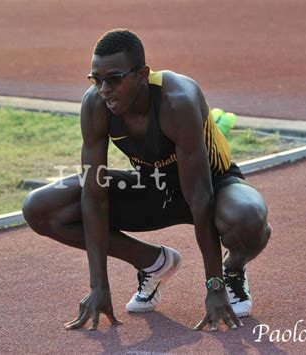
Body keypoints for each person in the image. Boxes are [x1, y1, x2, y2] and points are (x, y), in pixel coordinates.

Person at [22, 29, 271, 332]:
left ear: (142, 74)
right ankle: (154, 263)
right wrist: (99, 285)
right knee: (41, 208)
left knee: (248, 217)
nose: (104, 89)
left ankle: (233, 270)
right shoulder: (96, 105)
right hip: (151, 185)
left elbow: (200, 195)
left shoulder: (177, 100)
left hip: (212, 184)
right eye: (95, 79)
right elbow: (94, 194)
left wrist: (214, 284)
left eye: (114, 79)